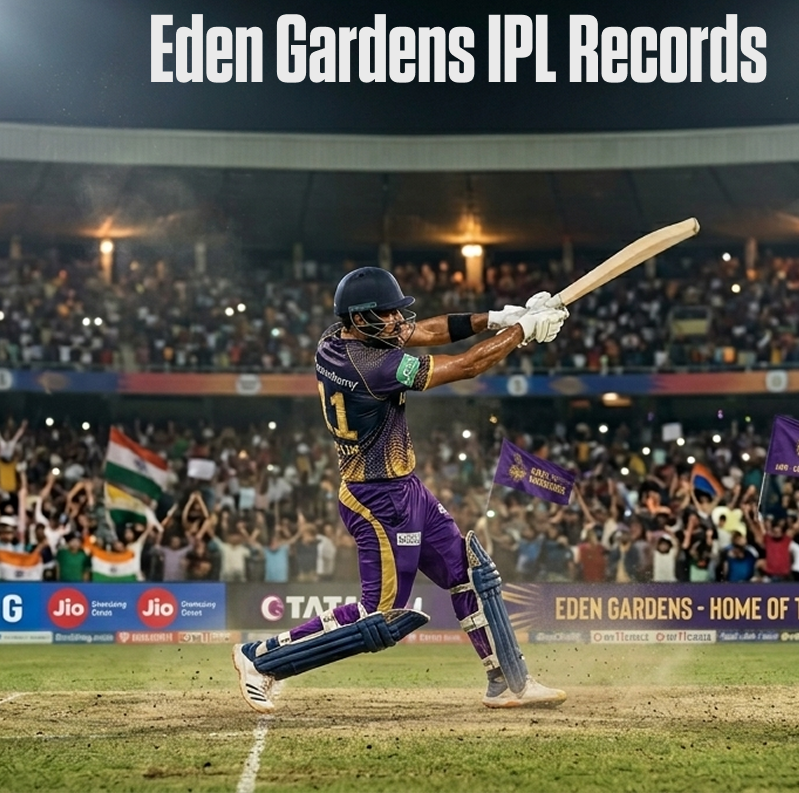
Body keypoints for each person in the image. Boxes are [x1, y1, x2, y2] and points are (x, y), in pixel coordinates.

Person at [233, 267, 569, 712]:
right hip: (376, 499)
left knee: (467, 573)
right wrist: (523, 331)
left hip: (404, 487)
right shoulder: (374, 365)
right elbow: (467, 366)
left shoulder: (336, 340)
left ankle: (507, 681)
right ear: (360, 318)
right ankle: (261, 658)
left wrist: (498, 317)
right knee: (382, 615)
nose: (397, 321)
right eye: (387, 314)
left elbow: (426, 329)